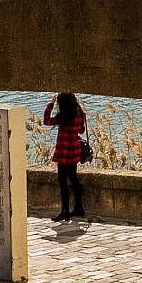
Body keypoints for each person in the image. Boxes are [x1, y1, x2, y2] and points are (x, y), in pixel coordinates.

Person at [43, 92, 87, 221]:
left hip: (63, 151)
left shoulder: (62, 116)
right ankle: (79, 208)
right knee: (73, 179)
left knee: (62, 181)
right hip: (74, 151)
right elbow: (81, 131)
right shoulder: (79, 115)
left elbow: (46, 121)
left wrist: (50, 104)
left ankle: (65, 212)